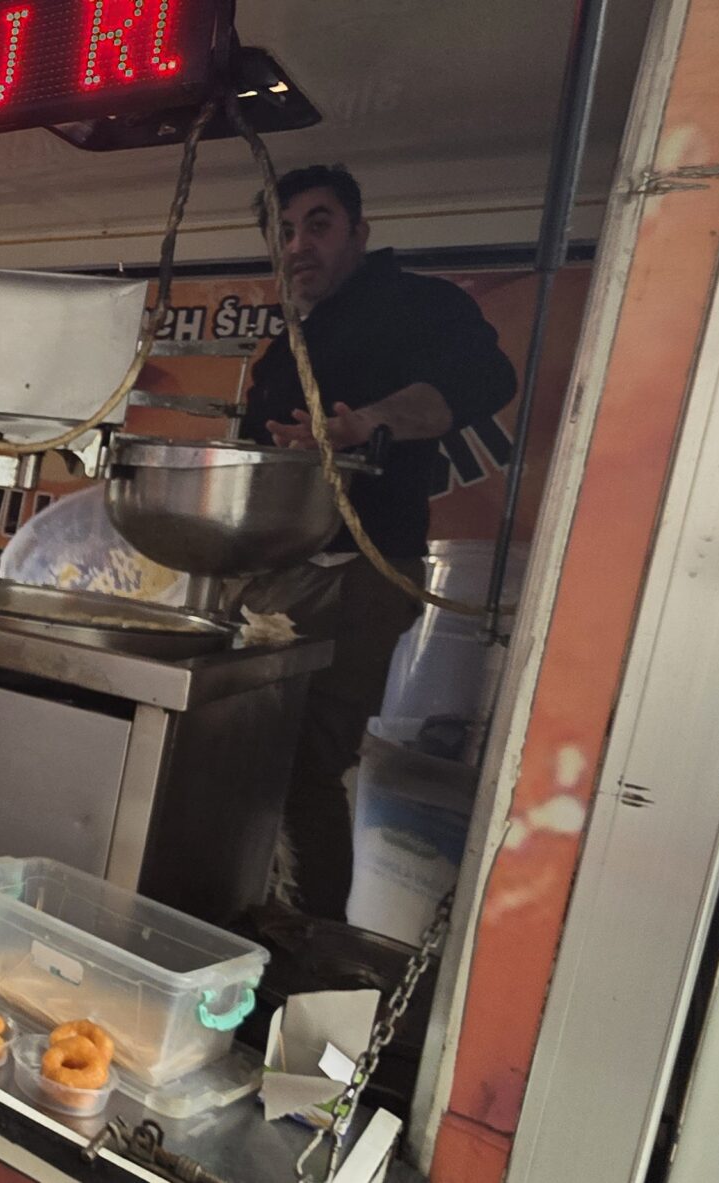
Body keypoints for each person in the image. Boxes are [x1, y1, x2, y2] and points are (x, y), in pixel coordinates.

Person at [236, 164, 517, 920]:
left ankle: (307, 941)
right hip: (276, 574)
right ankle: (238, 914)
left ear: (359, 233)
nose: (299, 244)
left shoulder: (417, 305)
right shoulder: (287, 347)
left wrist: (368, 424)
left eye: (318, 224)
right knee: (240, 752)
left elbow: (486, 378)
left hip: (360, 569)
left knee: (302, 765)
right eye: (284, 232)